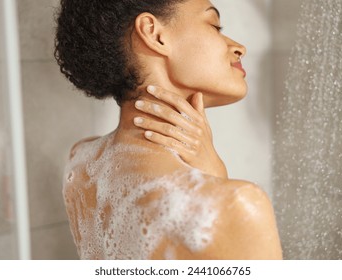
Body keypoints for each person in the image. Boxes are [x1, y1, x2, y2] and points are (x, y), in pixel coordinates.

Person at [55, 0, 282, 260]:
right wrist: (218, 182)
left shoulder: (82, 165)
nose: (239, 47)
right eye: (214, 26)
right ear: (154, 34)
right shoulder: (240, 204)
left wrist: (212, 175)